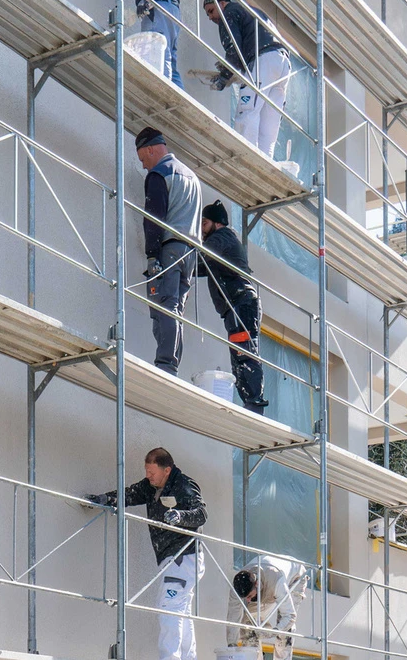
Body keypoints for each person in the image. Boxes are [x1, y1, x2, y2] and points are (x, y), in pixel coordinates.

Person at [85, 448, 207, 660]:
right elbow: (130, 495)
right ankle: (188, 658)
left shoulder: (184, 486)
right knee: (181, 611)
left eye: (152, 472)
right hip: (173, 559)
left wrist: (180, 516)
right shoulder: (152, 487)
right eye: (147, 471)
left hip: (183, 557)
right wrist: (104, 499)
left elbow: (201, 514)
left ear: (167, 470)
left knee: (169, 608)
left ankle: (170, 658)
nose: (148, 476)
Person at [136, 126, 202, 377]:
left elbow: (154, 219)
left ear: (151, 149)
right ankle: (172, 362)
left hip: (170, 249)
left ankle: (165, 364)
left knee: (164, 305)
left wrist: (152, 255)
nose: (144, 166)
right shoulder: (192, 177)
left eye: (143, 159)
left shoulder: (160, 174)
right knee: (176, 308)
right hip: (190, 254)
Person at [203, 0, 292, 159]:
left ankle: (245, 158)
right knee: (269, 119)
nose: (210, 17)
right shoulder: (250, 11)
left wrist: (224, 77)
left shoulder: (229, 12)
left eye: (211, 10)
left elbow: (234, 50)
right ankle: (266, 160)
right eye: (207, 14)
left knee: (247, 111)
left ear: (222, 3)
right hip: (283, 64)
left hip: (263, 59)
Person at [198, 200, 268, 413]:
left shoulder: (222, 237)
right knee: (240, 355)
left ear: (217, 223)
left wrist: (176, 258)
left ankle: (254, 403)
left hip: (241, 304)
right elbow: (202, 266)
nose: (201, 228)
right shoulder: (223, 242)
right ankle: (250, 402)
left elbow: (200, 257)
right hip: (238, 305)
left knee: (244, 354)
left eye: (204, 223)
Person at [227, 555, 309, 659]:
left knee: (284, 631)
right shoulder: (237, 588)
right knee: (248, 628)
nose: (247, 600)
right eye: (245, 598)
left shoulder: (276, 581)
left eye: (249, 596)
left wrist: (272, 632)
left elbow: (290, 616)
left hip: (294, 579)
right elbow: (232, 618)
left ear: (256, 584)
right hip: (265, 586)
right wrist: (231, 647)